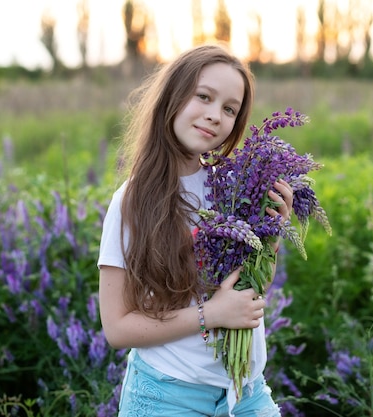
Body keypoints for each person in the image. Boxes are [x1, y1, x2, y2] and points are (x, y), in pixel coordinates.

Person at [97, 44, 293, 417]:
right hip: (167, 397)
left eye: (229, 109)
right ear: (173, 95)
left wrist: (272, 235)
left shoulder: (237, 186)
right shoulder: (132, 202)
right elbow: (117, 328)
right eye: (203, 96)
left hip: (245, 393)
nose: (215, 115)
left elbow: (246, 290)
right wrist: (211, 314)